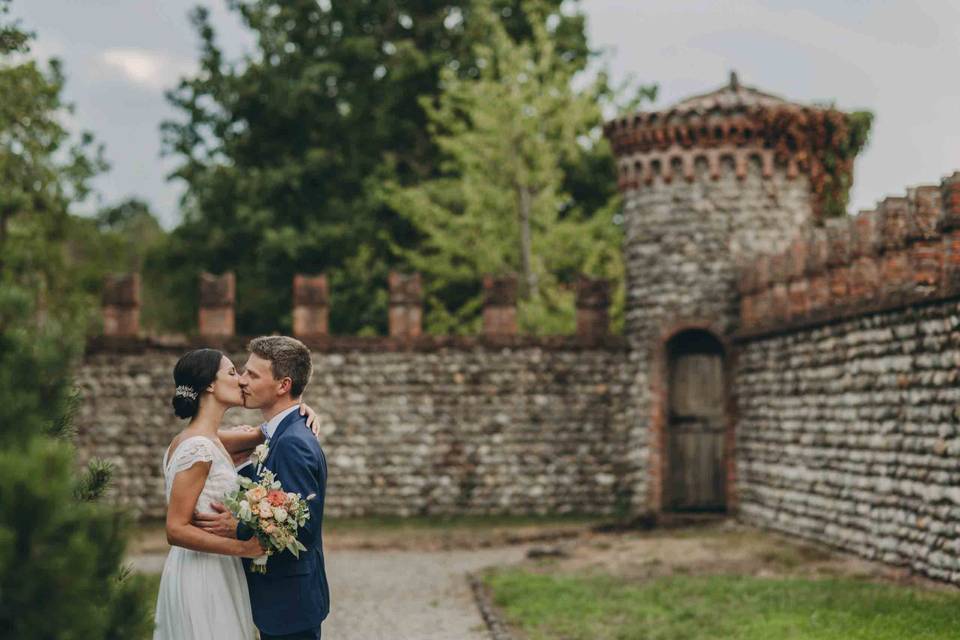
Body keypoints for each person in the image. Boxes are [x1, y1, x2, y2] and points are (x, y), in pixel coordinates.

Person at [154, 347, 323, 640]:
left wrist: (299, 409)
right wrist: (243, 548)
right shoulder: (198, 447)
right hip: (204, 571)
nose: (242, 380)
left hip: (221, 567)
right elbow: (174, 528)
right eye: (233, 372)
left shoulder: (207, 439)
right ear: (209, 385)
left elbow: (267, 432)